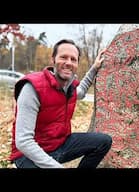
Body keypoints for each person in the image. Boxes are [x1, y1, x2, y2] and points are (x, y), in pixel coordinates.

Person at [9, 39, 112, 168]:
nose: (68, 63)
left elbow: (82, 89)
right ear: (53, 60)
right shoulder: (33, 88)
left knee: (104, 141)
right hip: (27, 155)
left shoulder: (70, 89)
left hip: (58, 145)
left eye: (73, 59)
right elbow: (23, 142)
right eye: (63, 57)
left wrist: (94, 68)